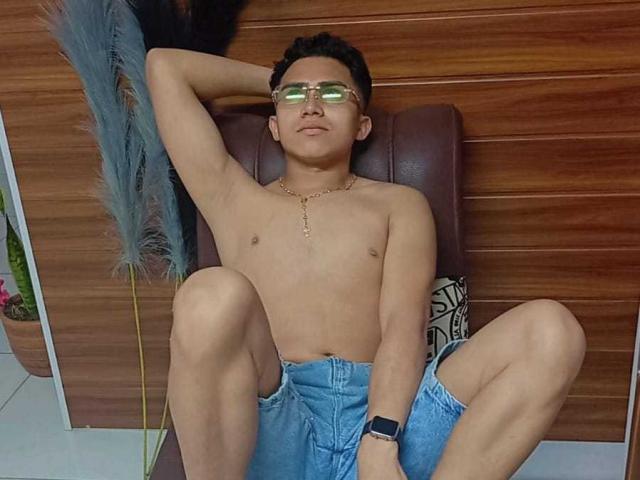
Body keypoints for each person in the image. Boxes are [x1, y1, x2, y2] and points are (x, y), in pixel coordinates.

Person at [145, 31, 586, 480]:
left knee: (551, 330)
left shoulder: (400, 205)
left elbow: (403, 326)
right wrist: (282, 83)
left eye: (333, 94)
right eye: (296, 97)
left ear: (362, 125)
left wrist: (381, 436)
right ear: (274, 124)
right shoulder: (232, 198)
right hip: (276, 419)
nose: (312, 106)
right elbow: (165, 67)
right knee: (210, 294)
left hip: (385, 413)